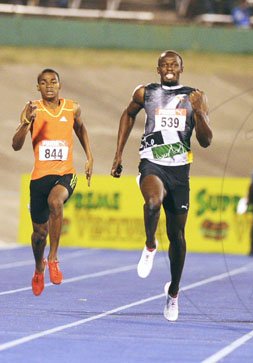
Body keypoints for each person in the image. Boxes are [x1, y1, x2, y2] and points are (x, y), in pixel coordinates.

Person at [110, 50, 213, 322]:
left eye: (174, 65)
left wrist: (200, 112)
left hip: (179, 171)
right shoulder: (146, 92)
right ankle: (150, 244)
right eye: (164, 65)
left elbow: (205, 141)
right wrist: (119, 154)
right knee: (152, 203)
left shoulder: (195, 96)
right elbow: (127, 115)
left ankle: (174, 292)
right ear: (157, 69)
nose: (169, 69)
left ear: (181, 69)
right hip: (152, 163)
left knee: (178, 237)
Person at [11, 68, 94, 296]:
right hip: (39, 177)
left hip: (65, 174)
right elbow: (16, 144)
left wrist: (89, 156)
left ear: (59, 85)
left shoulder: (72, 107)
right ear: (38, 87)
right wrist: (27, 121)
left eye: (53, 81)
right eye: (44, 82)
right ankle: (40, 267)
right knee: (39, 235)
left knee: (56, 202)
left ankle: (54, 258)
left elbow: (80, 127)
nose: (49, 85)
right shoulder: (32, 110)